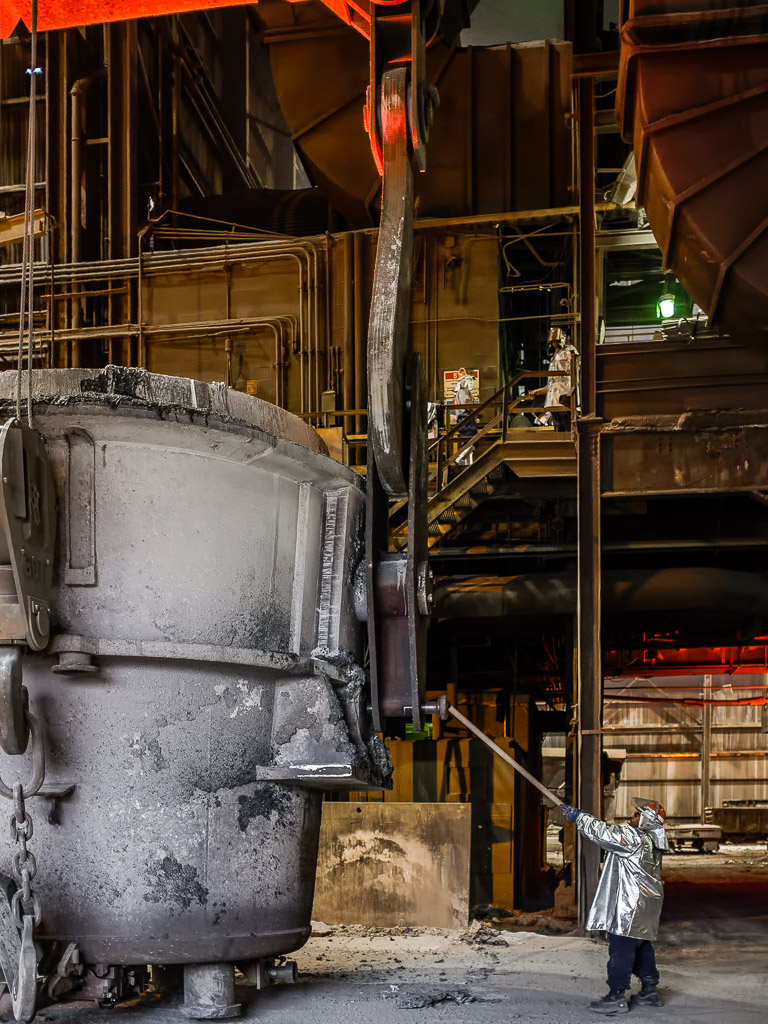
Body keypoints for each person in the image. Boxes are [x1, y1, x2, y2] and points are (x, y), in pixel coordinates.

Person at [560, 799, 668, 1015]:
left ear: (647, 820)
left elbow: (604, 833)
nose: (633, 816)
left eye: (638, 815)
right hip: (646, 906)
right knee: (642, 946)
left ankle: (616, 996)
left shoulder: (634, 837)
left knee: (621, 949)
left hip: (630, 906)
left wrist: (580, 817)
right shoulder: (653, 839)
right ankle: (649, 991)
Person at [544, 327, 578, 432]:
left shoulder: (569, 350)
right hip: (553, 393)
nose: (554, 343)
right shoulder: (554, 355)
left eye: (556, 340)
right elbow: (550, 376)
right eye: (553, 341)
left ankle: (569, 437)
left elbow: (575, 368)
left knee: (565, 417)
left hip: (564, 389)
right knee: (557, 420)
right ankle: (559, 438)